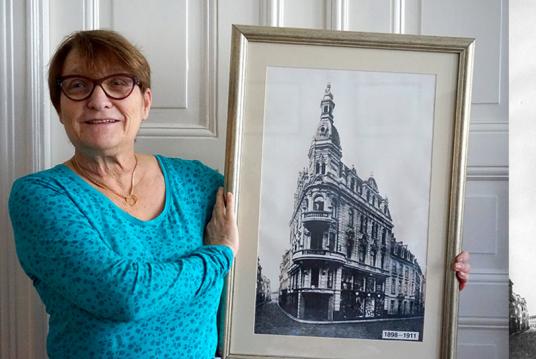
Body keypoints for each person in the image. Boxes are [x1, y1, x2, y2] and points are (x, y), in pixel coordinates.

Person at [8, 30, 470, 358]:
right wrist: (219, 255)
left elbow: (264, 246)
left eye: (118, 83)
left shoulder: (199, 182)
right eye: (77, 86)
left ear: (145, 102)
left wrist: (434, 261)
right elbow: (125, 296)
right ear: (59, 105)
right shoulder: (42, 196)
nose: (98, 100)